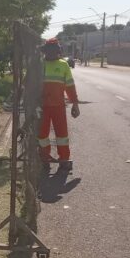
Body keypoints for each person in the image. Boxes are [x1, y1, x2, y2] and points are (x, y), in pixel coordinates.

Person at [38, 38, 80, 170]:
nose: (51, 53)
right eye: (48, 51)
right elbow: (30, 83)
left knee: (62, 135)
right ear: (45, 52)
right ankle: (45, 158)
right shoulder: (39, 65)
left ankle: (64, 159)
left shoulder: (63, 65)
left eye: (54, 51)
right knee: (41, 135)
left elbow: (70, 86)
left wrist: (75, 103)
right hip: (41, 107)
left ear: (58, 52)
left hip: (58, 107)